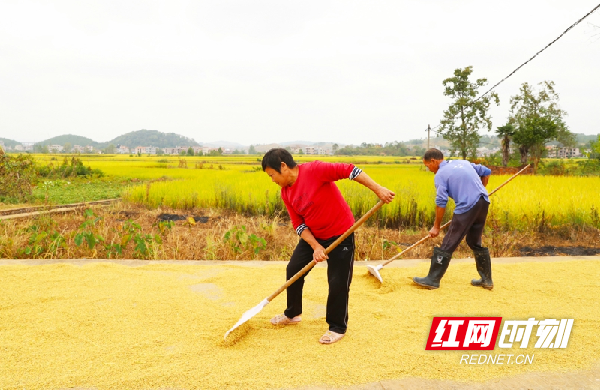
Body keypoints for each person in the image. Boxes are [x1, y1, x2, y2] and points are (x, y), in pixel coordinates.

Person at [262, 148, 394, 344]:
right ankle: (293, 313)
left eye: (272, 175)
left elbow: (351, 170)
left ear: (283, 166)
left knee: (337, 280)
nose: (272, 180)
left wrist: (378, 189)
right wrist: (315, 246)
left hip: (341, 233)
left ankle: (337, 327)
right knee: (294, 269)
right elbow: (299, 225)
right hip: (314, 236)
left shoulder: (315, 170)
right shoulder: (285, 192)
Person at [413, 148, 493, 290]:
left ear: (433, 161)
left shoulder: (440, 175)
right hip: (483, 202)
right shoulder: (463, 163)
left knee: (449, 241)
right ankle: (486, 280)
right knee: (474, 241)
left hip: (467, 205)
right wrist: (481, 188)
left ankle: (432, 279)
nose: (429, 169)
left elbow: (441, 202)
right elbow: (486, 171)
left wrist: (436, 226)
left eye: (427, 166)